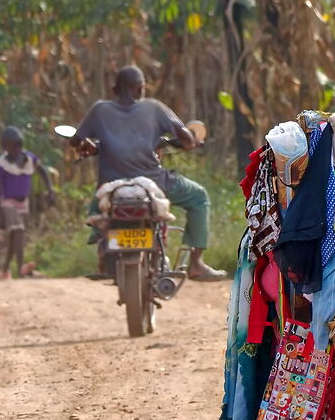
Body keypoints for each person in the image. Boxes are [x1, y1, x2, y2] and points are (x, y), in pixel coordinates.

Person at [73, 65, 224, 281]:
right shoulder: (153, 108)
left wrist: (88, 144)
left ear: (115, 90)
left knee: (97, 208)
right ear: (141, 89)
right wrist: (191, 141)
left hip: (111, 186)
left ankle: (102, 247)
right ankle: (196, 264)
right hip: (153, 183)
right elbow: (187, 139)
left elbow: (74, 140)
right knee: (200, 197)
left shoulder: (99, 110)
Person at [0, 126, 43, 279]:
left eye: (19, 146)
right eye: (13, 146)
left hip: (23, 202)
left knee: (15, 238)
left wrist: (50, 190)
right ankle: (21, 268)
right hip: (8, 202)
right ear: (5, 147)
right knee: (19, 231)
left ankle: (5, 270)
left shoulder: (29, 159)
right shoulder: (1, 164)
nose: (17, 149)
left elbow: (43, 171)